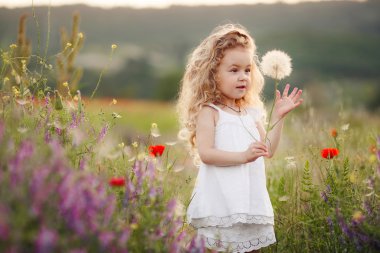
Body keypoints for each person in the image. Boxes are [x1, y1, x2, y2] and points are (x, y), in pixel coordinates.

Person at [176, 23, 303, 253]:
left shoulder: (251, 112)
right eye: (233, 70)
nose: (242, 77)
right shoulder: (210, 112)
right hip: (220, 201)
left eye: (247, 70)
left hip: (248, 201)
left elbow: (268, 150)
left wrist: (278, 117)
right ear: (213, 73)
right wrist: (243, 156)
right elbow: (206, 154)